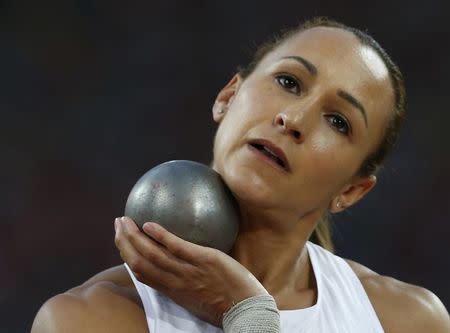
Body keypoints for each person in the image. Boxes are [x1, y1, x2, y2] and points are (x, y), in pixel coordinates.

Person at [31, 17, 450, 332]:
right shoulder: (88, 319)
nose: (293, 118)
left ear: (352, 191)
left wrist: (248, 313)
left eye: (338, 122)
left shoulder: (406, 321)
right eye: (288, 81)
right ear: (228, 97)